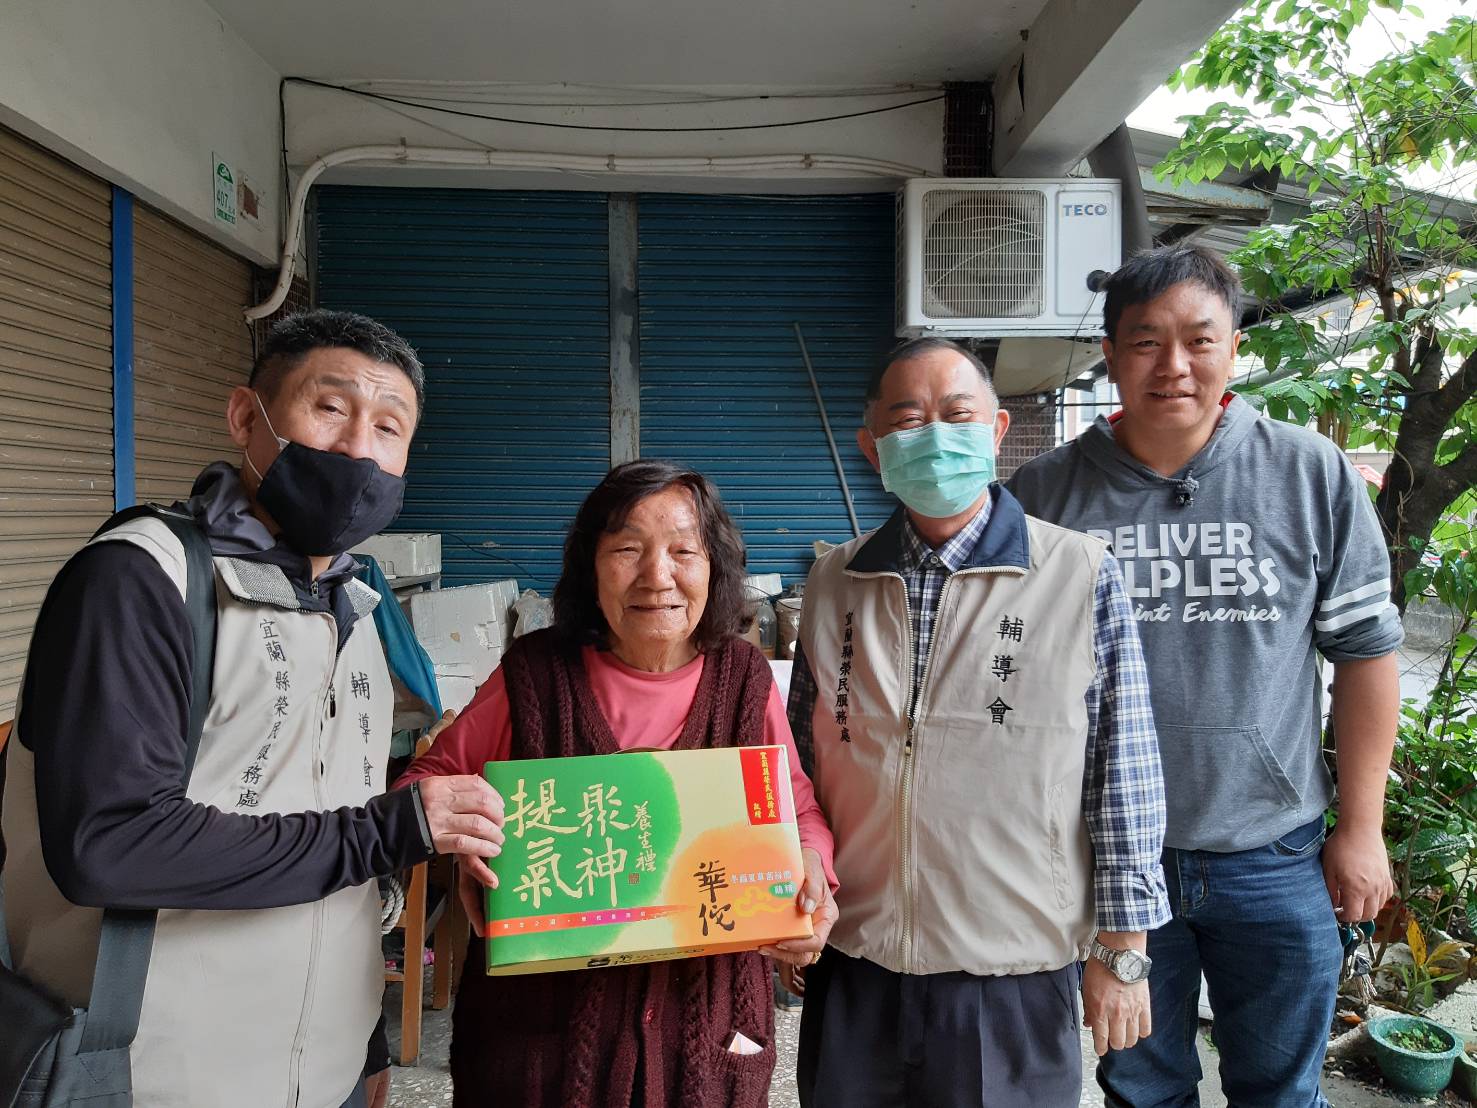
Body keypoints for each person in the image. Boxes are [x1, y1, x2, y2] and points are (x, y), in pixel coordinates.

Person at [0, 310, 505, 1108]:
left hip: (326, 1069)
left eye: (389, 426)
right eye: (330, 408)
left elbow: (337, 853)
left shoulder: (360, 606)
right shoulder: (140, 580)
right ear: (247, 417)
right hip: (149, 1074)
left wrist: (365, 1040)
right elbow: (111, 843)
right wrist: (392, 830)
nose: (356, 449)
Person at [1008, 245, 1402, 1106]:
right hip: (1111, 864)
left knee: (1280, 1089)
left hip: (1274, 849)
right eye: (1144, 341)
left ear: (1234, 350)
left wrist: (1361, 829)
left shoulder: (1309, 473)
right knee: (1143, 1088)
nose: (1173, 365)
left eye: (1198, 339)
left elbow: (1366, 655)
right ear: (1108, 355)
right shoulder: (1043, 494)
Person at [787, 337, 1171, 1108]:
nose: (934, 435)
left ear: (995, 431)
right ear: (873, 447)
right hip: (854, 957)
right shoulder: (834, 581)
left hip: (1008, 973)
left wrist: (1123, 949)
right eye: (908, 418)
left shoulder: (1076, 572)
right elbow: (800, 760)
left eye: (956, 414)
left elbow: (1121, 765)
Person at [398, 459, 838, 1108]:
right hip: (540, 1047)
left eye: (683, 549)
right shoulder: (534, 674)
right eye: (626, 549)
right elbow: (423, 785)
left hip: (706, 1037)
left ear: (713, 567)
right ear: (590, 566)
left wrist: (810, 874)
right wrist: (466, 836)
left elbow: (795, 806)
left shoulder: (743, 676)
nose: (656, 575)